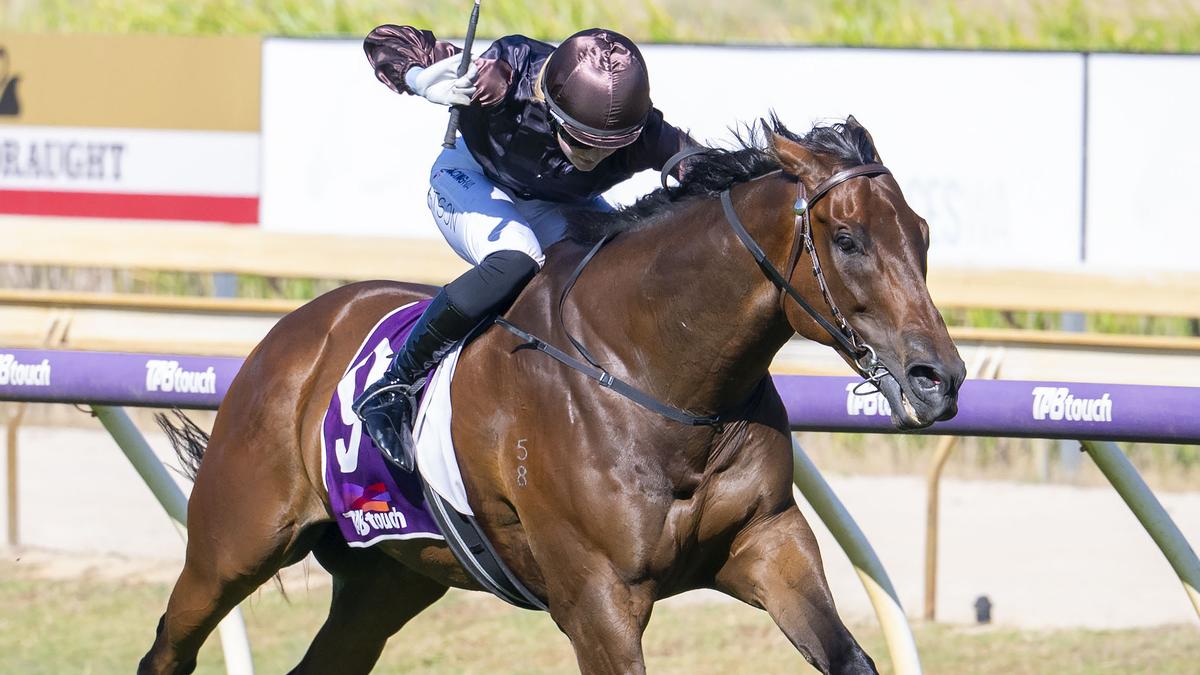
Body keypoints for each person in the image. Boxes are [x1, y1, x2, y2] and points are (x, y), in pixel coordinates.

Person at [355, 24, 697, 471]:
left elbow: (710, 171)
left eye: (609, 147)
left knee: (615, 265)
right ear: (550, 108)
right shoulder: (503, 76)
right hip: (471, 177)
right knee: (517, 258)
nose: (592, 158)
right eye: (581, 140)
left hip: (555, 202)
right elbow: (386, 40)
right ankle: (395, 384)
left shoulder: (648, 132)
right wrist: (420, 77)